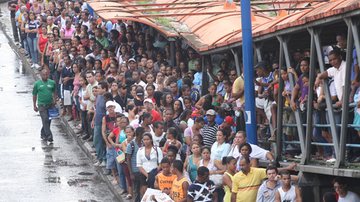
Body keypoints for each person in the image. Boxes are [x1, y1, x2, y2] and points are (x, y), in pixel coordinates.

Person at [32, 68, 56, 143]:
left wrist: (54, 99)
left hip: (50, 104)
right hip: (41, 105)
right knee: (45, 119)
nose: (45, 76)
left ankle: (43, 133)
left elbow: (54, 91)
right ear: (41, 75)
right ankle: (49, 135)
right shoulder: (37, 84)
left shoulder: (52, 82)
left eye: (46, 74)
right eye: (43, 75)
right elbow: (34, 94)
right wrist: (34, 105)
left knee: (48, 120)